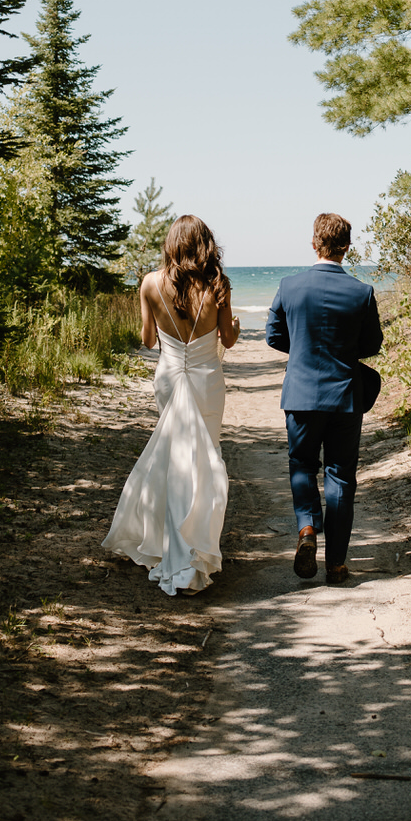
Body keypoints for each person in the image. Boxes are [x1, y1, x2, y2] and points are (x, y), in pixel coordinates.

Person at [103, 215, 240, 596]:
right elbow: (227, 340)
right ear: (205, 244)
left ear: (171, 245)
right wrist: (235, 329)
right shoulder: (218, 285)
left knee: (173, 461)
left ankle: (170, 546)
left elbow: (148, 341)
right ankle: (192, 549)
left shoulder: (149, 283)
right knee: (203, 460)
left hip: (168, 377)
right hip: (206, 381)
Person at [265, 212, 383, 585]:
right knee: (340, 476)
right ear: (347, 247)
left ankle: (306, 531)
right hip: (345, 395)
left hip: (300, 393)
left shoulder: (288, 286)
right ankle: (336, 564)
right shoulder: (362, 292)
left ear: (314, 243)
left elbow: (273, 336)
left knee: (302, 464)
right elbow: (372, 345)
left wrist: (301, 346)